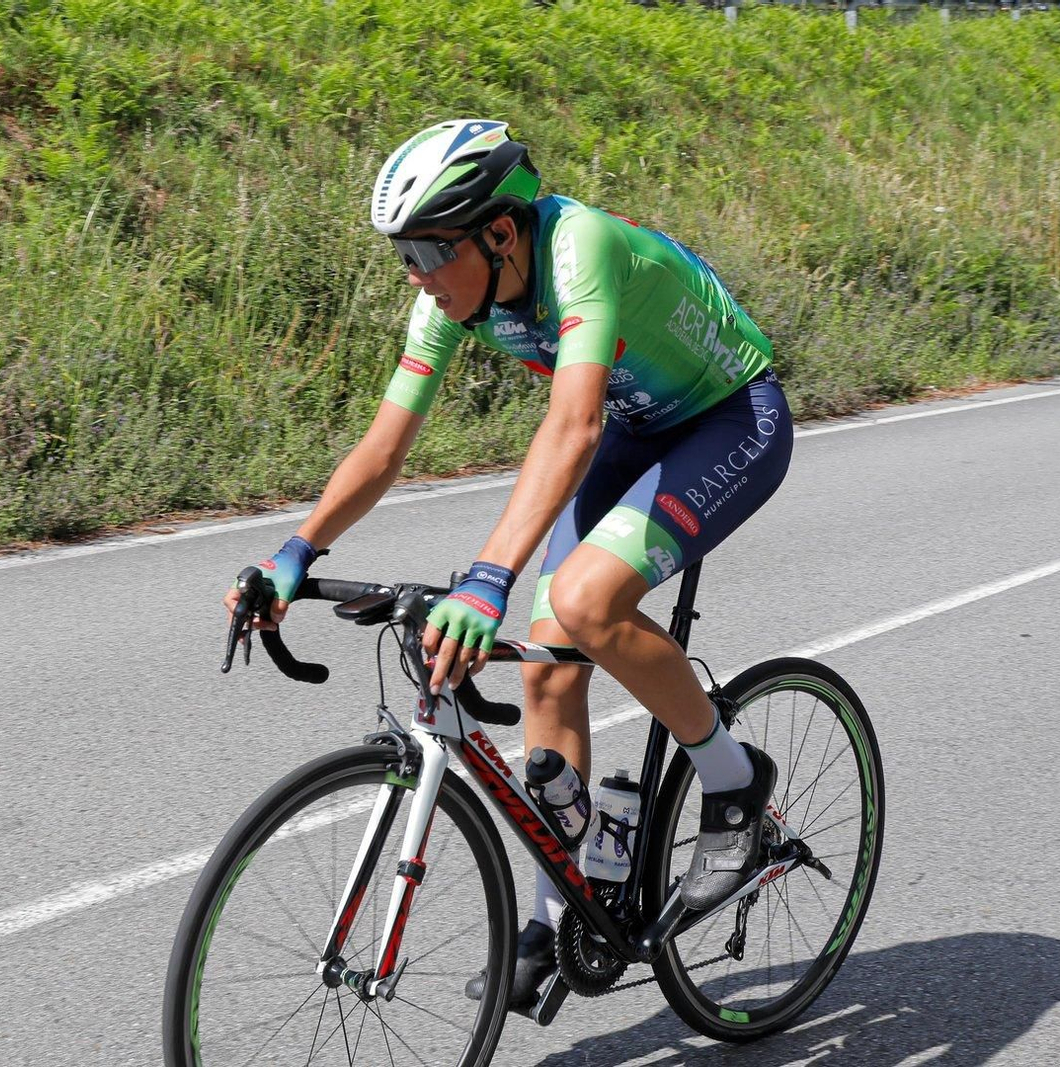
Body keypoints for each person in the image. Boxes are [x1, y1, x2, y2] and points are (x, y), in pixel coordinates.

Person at [224, 119, 794, 1011]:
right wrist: (295, 551)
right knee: (546, 667)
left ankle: (733, 780)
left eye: (426, 250)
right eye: (402, 254)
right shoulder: (449, 296)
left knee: (587, 601)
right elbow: (385, 446)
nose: (413, 273)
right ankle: (555, 920)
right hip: (642, 427)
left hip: (730, 417)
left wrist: (487, 577)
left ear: (498, 231)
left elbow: (574, 425)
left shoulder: (580, 245)